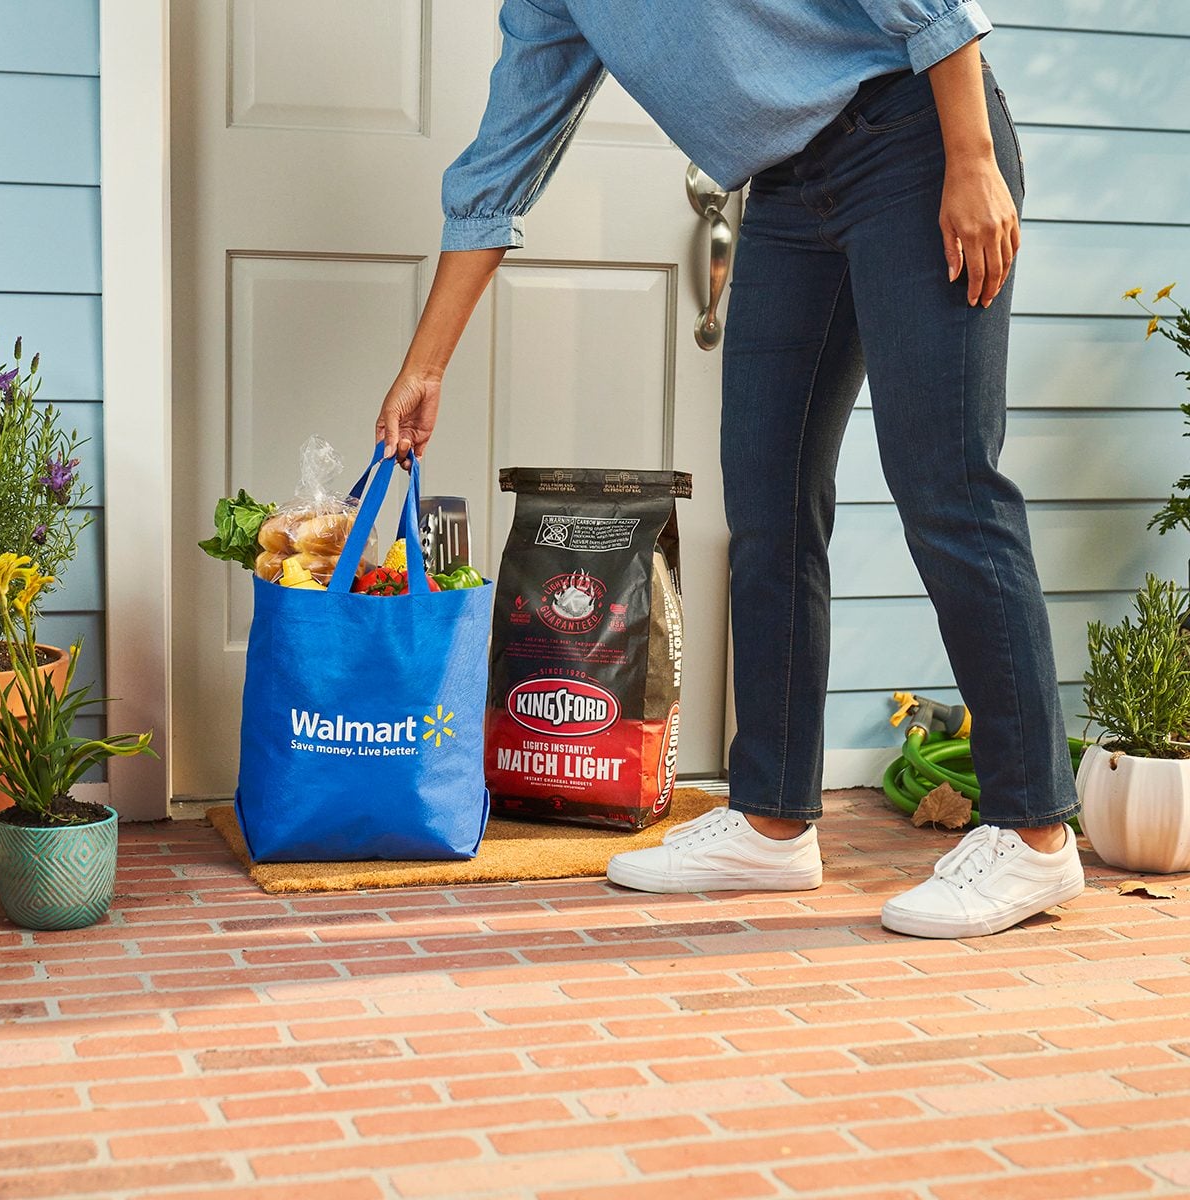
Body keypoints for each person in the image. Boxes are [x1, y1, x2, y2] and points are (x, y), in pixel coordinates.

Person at [375, 0, 1085, 939]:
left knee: (947, 485)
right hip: (786, 190)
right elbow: (499, 164)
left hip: (914, 137)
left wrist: (973, 157)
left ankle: (1034, 833)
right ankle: (771, 820)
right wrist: (425, 366)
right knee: (767, 501)